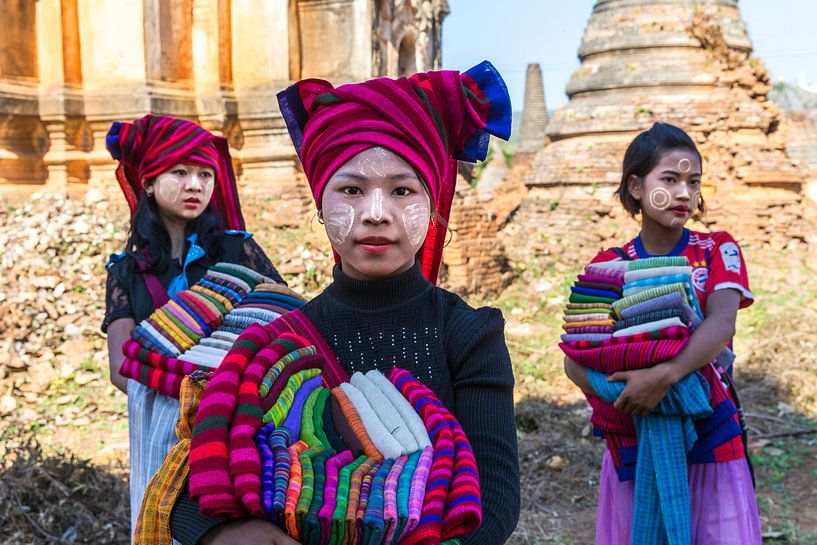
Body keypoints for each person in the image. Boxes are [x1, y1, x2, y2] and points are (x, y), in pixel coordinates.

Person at [162, 61, 520, 545]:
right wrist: (233, 532)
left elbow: (495, 503)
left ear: (433, 204)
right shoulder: (276, 342)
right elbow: (189, 490)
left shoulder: (468, 335)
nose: (375, 214)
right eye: (351, 190)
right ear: (319, 203)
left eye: (402, 190)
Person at [563, 122, 761, 544]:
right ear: (636, 186)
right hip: (633, 430)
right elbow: (576, 357)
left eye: (694, 182)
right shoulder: (609, 267)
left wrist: (663, 378)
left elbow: (721, 325)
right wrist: (629, 390)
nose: (685, 194)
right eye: (669, 180)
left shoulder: (716, 249)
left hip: (713, 433)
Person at [101, 114, 286, 536]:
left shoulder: (238, 251)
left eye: (205, 174)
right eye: (180, 172)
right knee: (166, 522)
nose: (195, 185)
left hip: (242, 418)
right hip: (161, 426)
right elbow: (121, 367)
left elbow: (281, 320)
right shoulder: (127, 272)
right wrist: (193, 392)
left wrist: (225, 393)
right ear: (148, 182)